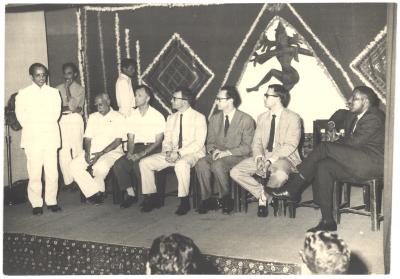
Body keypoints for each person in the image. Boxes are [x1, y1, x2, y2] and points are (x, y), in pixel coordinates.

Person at [266, 86, 385, 232]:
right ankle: (328, 220)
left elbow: (354, 143)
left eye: (354, 98)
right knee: (324, 166)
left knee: (324, 147)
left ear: (365, 102)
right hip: (356, 161)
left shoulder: (374, 117)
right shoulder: (354, 114)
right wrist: (331, 125)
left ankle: (293, 187)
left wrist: (335, 141)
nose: (349, 101)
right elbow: (340, 114)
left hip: (370, 164)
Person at [230, 84, 301, 218]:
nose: (264, 98)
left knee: (279, 175)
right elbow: (256, 143)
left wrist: (270, 160)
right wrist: (259, 158)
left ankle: (263, 201)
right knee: (235, 171)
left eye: (267, 95)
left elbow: (290, 145)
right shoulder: (262, 117)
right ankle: (264, 195)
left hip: (285, 158)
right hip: (264, 156)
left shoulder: (293, 118)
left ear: (278, 98)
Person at [139, 88, 207, 215]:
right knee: (145, 163)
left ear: (185, 101)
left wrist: (179, 153)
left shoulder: (199, 118)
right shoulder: (171, 118)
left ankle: (184, 201)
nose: (171, 100)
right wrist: (168, 151)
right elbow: (167, 139)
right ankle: (151, 197)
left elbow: (198, 143)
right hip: (172, 153)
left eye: (174, 98)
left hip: (193, 154)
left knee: (181, 165)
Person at [195, 86, 255, 214]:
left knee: (218, 164)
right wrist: (213, 151)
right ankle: (206, 199)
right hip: (219, 154)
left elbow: (247, 147)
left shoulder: (246, 119)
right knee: (201, 163)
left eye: (219, 99)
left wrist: (227, 153)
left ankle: (226, 198)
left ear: (230, 100)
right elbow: (210, 142)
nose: (216, 102)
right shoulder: (214, 119)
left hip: (238, 156)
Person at [15, 63, 62, 215]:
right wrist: (37, 122)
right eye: (38, 75)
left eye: (44, 75)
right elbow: (21, 116)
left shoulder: (54, 92)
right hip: (33, 138)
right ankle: (36, 203)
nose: (42, 78)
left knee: (52, 172)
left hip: (49, 136)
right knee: (34, 172)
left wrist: (39, 119)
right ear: (32, 76)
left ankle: (52, 200)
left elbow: (55, 114)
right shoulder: (23, 94)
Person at [112, 85, 165, 208]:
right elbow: (131, 138)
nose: (135, 98)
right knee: (119, 164)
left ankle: (149, 197)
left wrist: (142, 154)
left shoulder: (157, 116)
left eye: (139, 95)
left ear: (147, 99)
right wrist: (130, 153)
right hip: (136, 147)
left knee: (138, 164)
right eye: (135, 95)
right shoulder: (132, 115)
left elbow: (158, 141)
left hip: (153, 148)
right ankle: (131, 195)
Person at [70, 93, 125, 204]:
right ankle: (95, 193)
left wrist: (100, 154)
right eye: (96, 105)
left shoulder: (119, 117)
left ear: (108, 102)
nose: (98, 107)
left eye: (101, 104)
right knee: (73, 165)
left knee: (100, 167)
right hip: (93, 151)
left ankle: (95, 195)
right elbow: (87, 138)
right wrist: (87, 153)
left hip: (112, 152)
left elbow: (117, 141)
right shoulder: (93, 117)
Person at [56, 62, 85, 191]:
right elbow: (57, 109)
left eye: (69, 73)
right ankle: (69, 181)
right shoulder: (56, 89)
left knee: (77, 148)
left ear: (75, 74)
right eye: (65, 73)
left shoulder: (80, 89)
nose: (67, 76)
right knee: (63, 151)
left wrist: (67, 90)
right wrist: (66, 107)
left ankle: (80, 177)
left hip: (75, 120)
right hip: (62, 120)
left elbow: (75, 108)